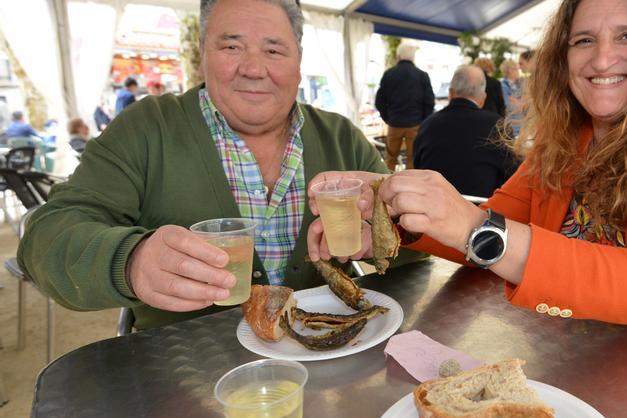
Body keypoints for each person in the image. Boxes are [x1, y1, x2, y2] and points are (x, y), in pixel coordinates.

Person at [307, 0, 627, 380]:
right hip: (600, 364)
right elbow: (492, 228)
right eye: (583, 40)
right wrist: (394, 218)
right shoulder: (569, 138)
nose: (601, 60)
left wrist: (473, 226)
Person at [17, 0, 393, 329]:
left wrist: (386, 229)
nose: (253, 68)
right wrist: (129, 260)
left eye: (274, 51)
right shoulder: (147, 128)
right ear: (202, 54)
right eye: (231, 46)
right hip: (182, 379)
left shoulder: (341, 137)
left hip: (327, 360)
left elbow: (415, 247)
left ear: (298, 62)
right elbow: (46, 237)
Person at [413, 65, 518, 198]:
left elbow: (418, 167)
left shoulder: (428, 124)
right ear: (482, 99)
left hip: (433, 206)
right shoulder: (497, 125)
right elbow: (511, 174)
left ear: (450, 93)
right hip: (481, 211)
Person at [375, 43, 434, 172]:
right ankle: (410, 189)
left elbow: (379, 101)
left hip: (394, 123)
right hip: (415, 124)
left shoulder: (389, 74)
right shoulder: (422, 75)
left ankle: (386, 185)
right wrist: (422, 121)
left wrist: (388, 118)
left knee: (390, 159)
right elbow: (429, 102)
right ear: (413, 58)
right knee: (412, 159)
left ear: (398, 56)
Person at [499, 59, 524, 136]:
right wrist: (520, 103)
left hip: (522, 125)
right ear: (510, 70)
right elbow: (508, 106)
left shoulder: (521, 84)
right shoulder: (502, 85)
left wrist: (516, 101)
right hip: (510, 125)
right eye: (516, 69)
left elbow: (527, 103)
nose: (519, 71)